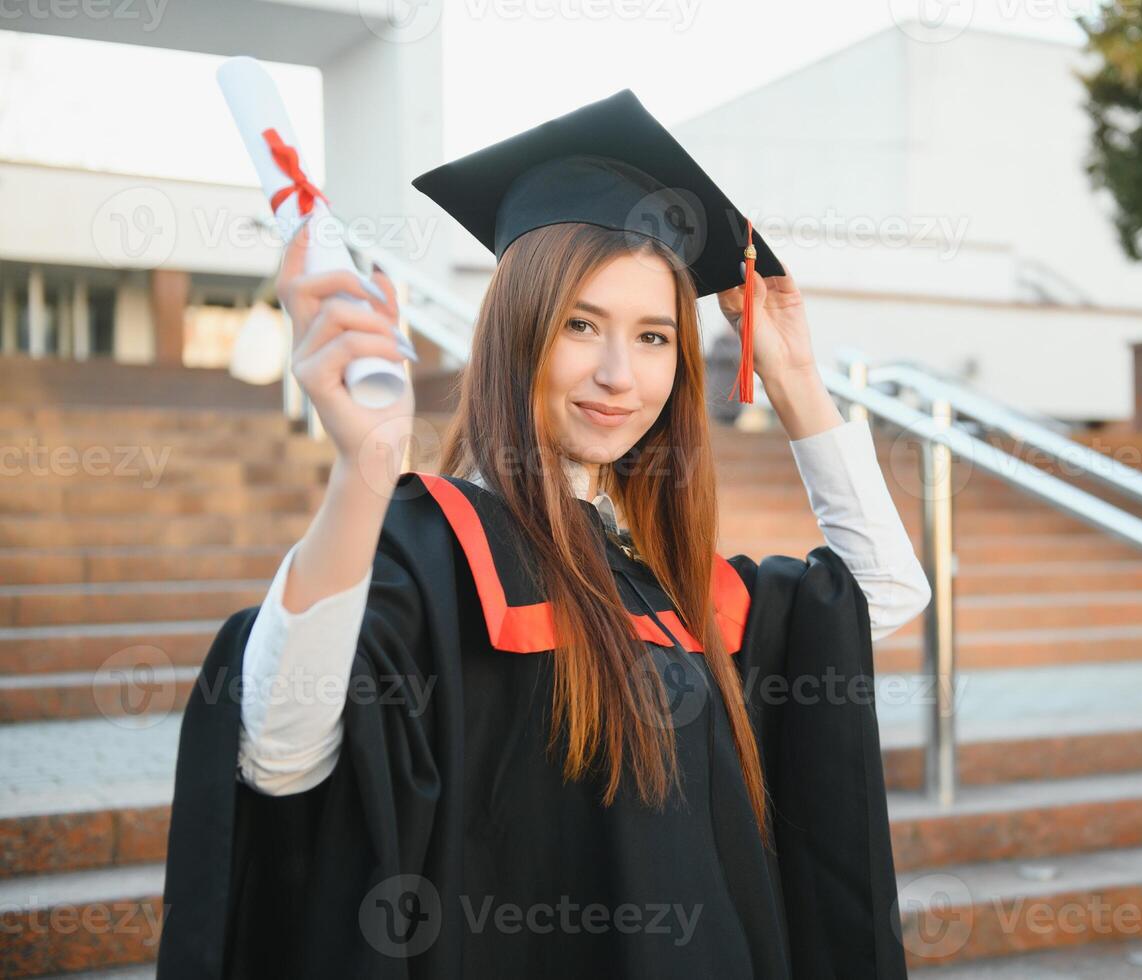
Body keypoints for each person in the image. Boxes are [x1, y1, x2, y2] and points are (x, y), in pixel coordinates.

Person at [157, 89, 929, 979]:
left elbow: (885, 595)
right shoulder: (432, 548)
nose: (617, 375)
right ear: (516, 333)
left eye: (652, 338)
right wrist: (361, 472)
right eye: (579, 325)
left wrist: (791, 373)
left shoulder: (667, 581)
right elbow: (278, 755)